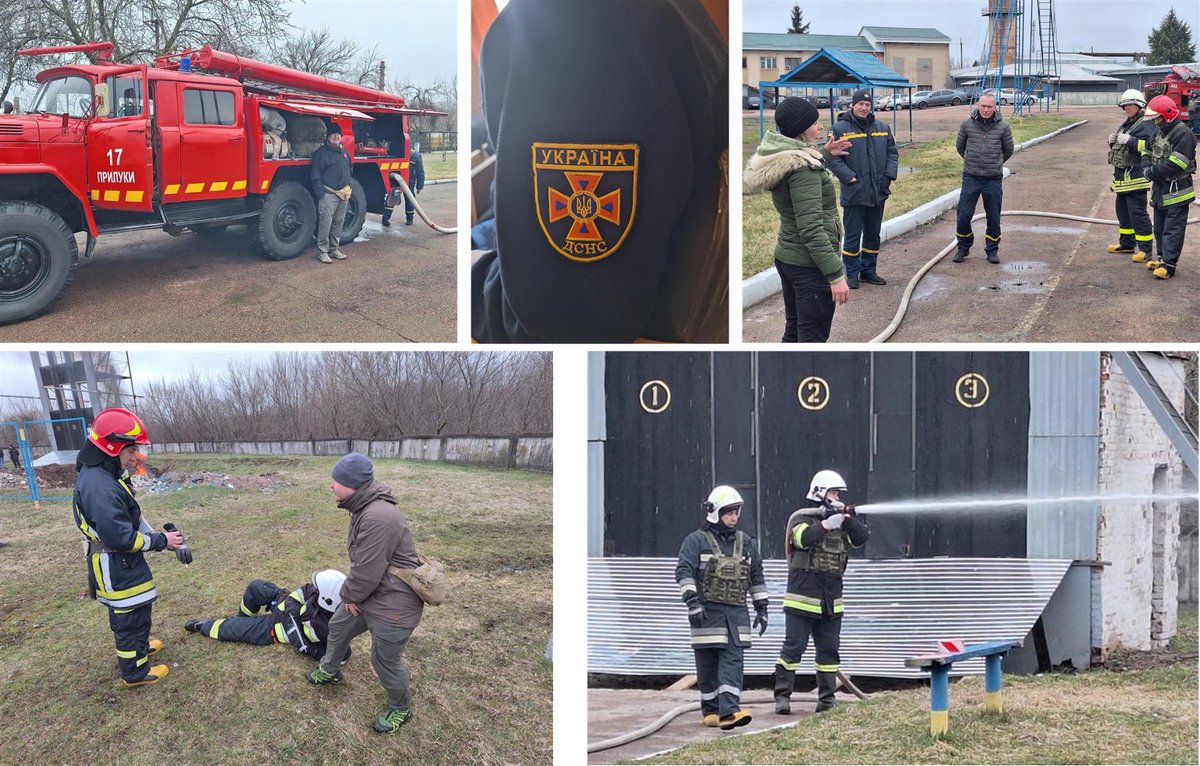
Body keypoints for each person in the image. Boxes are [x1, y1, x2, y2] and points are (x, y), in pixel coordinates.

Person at [471, 0, 728, 343]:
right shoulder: (668, 12)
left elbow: (566, 316)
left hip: (616, 311)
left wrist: (466, 280)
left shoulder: (578, 20)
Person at [306, 453, 425, 735]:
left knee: (383, 660)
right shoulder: (364, 506)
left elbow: (367, 571)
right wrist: (354, 597)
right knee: (338, 625)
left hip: (395, 603)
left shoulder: (377, 517)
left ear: (352, 484)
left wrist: (350, 596)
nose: (330, 486)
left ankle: (400, 709)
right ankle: (330, 670)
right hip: (373, 593)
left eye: (335, 481)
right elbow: (366, 569)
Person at [72, 408, 184, 687]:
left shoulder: (106, 475)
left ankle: (140, 648)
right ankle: (134, 672)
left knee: (137, 611)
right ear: (112, 447)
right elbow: (121, 538)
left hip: (122, 563)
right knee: (128, 618)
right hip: (116, 562)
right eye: (131, 449)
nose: (137, 456)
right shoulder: (99, 486)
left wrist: (152, 532)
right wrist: (161, 542)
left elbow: (128, 517)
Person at [745, 96, 851, 342]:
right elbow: (812, 229)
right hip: (809, 266)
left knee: (795, 331)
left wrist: (826, 153)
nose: (821, 127)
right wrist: (835, 275)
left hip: (789, 258)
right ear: (802, 129)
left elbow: (799, 164)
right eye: (816, 123)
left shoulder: (782, 155)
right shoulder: (804, 169)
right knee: (811, 338)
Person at [774, 470, 869, 715]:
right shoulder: (802, 517)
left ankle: (826, 700)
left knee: (829, 651)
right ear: (820, 493)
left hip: (831, 602)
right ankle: (782, 697)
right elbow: (802, 539)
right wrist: (826, 524)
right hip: (802, 600)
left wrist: (846, 518)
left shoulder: (841, 523)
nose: (837, 497)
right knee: (793, 648)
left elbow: (862, 538)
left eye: (838, 493)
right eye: (834, 492)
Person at [674, 485, 769, 730]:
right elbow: (683, 572)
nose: (734, 517)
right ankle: (711, 711)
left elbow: (756, 575)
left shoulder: (746, 542)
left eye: (736, 512)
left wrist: (762, 606)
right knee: (707, 664)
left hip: (736, 614)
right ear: (715, 512)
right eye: (728, 512)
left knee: (732, 662)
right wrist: (692, 603)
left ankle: (729, 712)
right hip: (707, 612)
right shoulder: (695, 541)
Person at [184, 570, 352, 664]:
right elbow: (296, 596)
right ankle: (242, 617)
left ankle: (202, 626)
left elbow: (343, 655)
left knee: (230, 629)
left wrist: (308, 648)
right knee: (256, 586)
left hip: (275, 628)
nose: (314, 587)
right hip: (283, 606)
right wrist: (291, 615)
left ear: (327, 599)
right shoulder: (316, 591)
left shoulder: (331, 628)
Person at [828, 89, 898, 289]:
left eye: (867, 105)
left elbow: (892, 152)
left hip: (878, 193)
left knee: (873, 234)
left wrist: (888, 176)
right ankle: (851, 273)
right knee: (852, 235)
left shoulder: (882, 127)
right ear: (853, 105)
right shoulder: (839, 129)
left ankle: (869, 270)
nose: (864, 107)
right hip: (855, 193)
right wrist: (850, 178)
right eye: (861, 104)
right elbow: (833, 158)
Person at [1139, 95, 1196, 280]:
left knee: (1173, 228)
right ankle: (1162, 258)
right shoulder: (1159, 132)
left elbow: (1177, 163)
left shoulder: (1183, 134)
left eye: (1157, 118)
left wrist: (1151, 172)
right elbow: (1147, 150)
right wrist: (1146, 166)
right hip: (1161, 189)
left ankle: (1169, 265)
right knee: (1161, 226)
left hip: (1177, 189)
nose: (1155, 122)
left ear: (1168, 115)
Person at [953, 92, 1013, 264]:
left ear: (995, 108)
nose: (986, 110)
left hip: (992, 179)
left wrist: (995, 163)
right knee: (963, 215)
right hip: (971, 177)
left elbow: (1008, 149)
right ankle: (963, 247)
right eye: (983, 106)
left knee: (993, 217)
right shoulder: (966, 125)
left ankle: (992, 250)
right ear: (977, 106)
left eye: (989, 107)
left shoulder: (1003, 127)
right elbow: (960, 146)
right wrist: (972, 161)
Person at [1105, 89, 1157, 260]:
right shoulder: (1127, 123)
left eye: (1130, 105)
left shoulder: (1146, 123)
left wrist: (1130, 141)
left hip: (1136, 177)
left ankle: (1145, 249)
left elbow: (1151, 147)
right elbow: (1122, 149)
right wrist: (1112, 142)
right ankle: (1127, 244)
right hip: (1122, 179)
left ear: (1139, 105)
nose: (1127, 108)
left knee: (1138, 213)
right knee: (1122, 212)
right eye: (1124, 105)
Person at [310, 122, 353, 264]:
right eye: (333, 133)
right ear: (328, 136)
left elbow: (350, 169)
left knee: (338, 223)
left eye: (338, 134)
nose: (336, 136)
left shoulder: (344, 153)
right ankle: (322, 252)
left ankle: (334, 250)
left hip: (344, 194)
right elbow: (315, 175)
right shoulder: (321, 154)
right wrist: (321, 194)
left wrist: (348, 185)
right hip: (328, 195)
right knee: (325, 224)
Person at [382, 138, 425, 227]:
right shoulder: (398, 154)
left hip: (409, 182)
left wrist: (419, 187)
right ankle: (385, 218)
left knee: (409, 199)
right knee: (392, 198)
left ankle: (410, 218)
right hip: (397, 180)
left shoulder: (416, 157)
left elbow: (420, 172)